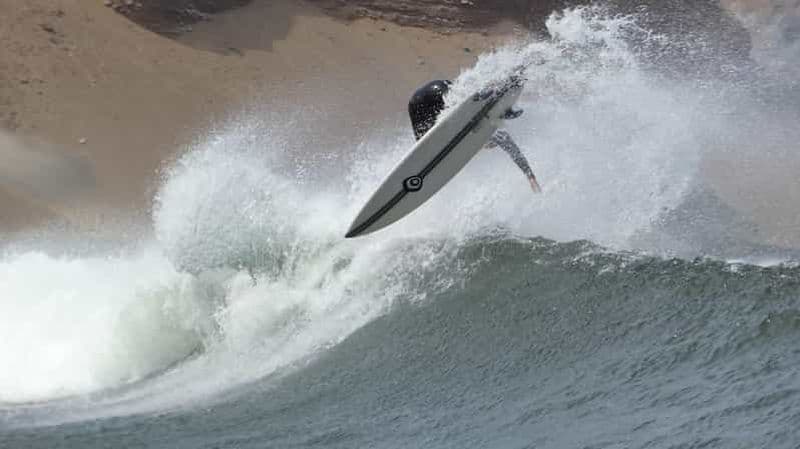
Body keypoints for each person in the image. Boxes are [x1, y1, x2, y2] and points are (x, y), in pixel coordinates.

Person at [408, 79, 541, 193]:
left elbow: (511, 148)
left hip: (434, 92)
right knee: (426, 145)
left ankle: (494, 98)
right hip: (429, 98)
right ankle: (496, 101)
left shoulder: (475, 124)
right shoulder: (485, 130)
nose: (488, 145)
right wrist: (530, 176)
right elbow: (512, 148)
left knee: (427, 141)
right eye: (490, 145)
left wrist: (530, 175)